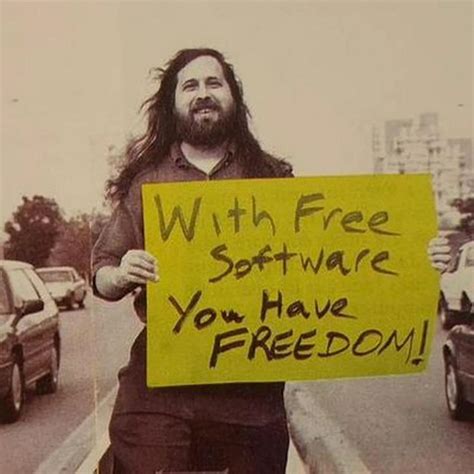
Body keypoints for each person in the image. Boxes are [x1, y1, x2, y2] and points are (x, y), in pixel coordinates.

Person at [92, 48, 293, 474]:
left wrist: (412, 257)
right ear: (173, 103)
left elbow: (320, 262)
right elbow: (102, 272)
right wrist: (121, 273)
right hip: (163, 381)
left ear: (233, 96)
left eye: (213, 83)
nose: (203, 93)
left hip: (249, 384)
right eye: (190, 85)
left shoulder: (271, 177)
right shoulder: (147, 182)